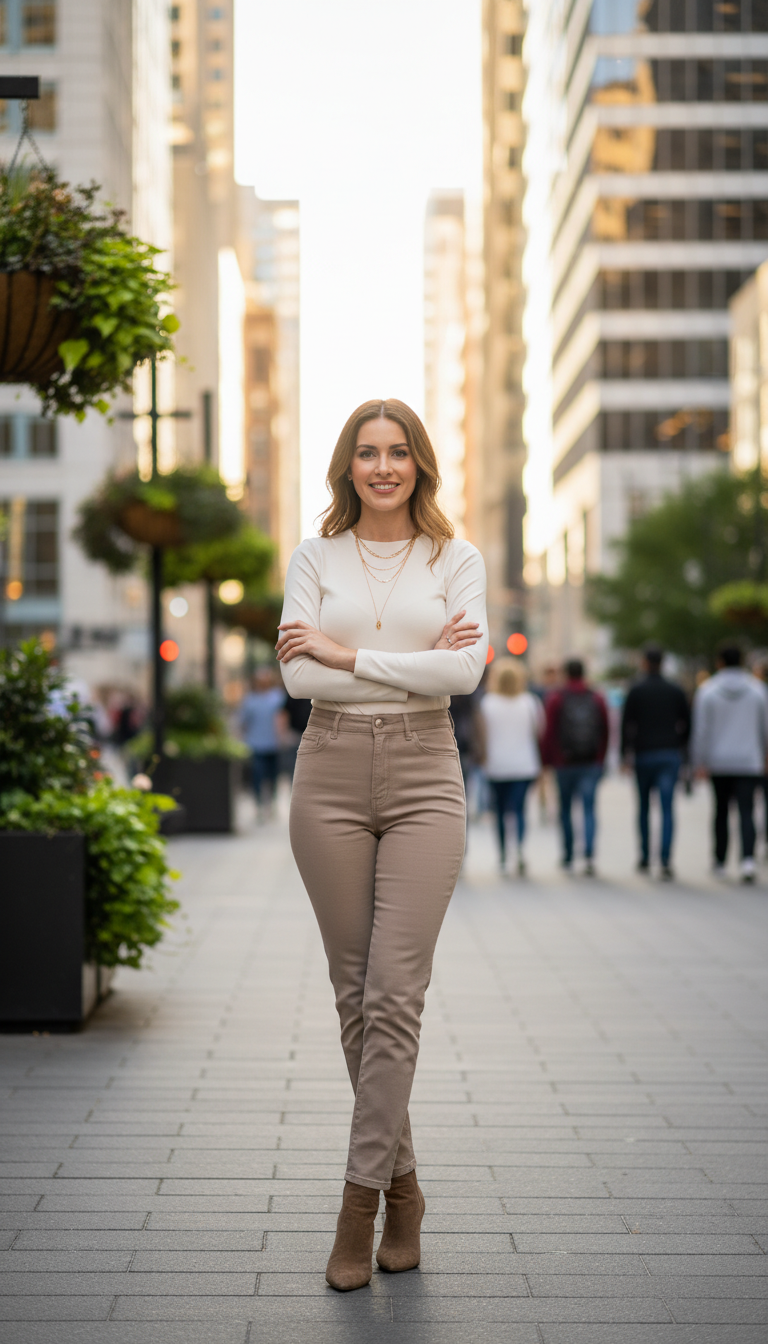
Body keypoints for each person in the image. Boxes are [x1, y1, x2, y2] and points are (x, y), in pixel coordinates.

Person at [276, 398, 487, 1292]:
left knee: (396, 995)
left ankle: (356, 1206)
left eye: (398, 452)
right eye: (367, 453)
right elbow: (295, 675)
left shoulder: (456, 557)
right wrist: (393, 661)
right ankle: (405, 1187)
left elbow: (466, 672)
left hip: (426, 777)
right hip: (326, 773)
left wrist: (349, 654)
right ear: (347, 467)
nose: (383, 467)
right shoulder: (314, 556)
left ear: (420, 463)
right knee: (355, 997)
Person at [691, 644, 768, 883]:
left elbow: (701, 730)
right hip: (749, 760)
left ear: (720, 662)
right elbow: (765, 727)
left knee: (721, 812)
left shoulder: (708, 691)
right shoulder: (757, 690)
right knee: (747, 811)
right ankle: (747, 860)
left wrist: (699, 761)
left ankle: (720, 861)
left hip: (719, 761)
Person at [621, 645, 690, 880]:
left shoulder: (636, 690)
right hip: (669, 753)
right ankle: (666, 859)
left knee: (643, 808)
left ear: (644, 662)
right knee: (668, 808)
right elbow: (688, 723)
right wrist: (681, 746)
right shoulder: (675, 690)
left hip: (644, 754)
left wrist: (624, 754)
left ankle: (644, 856)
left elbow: (626, 725)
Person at [541, 657, 609, 876]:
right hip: (590, 762)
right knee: (589, 808)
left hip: (564, 763)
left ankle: (568, 854)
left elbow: (549, 733)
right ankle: (588, 854)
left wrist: (547, 760)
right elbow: (606, 730)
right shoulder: (596, 697)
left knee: (565, 809)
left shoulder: (556, 698)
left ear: (566, 674)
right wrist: (601, 758)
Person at [477, 657, 544, 875]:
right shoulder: (530, 702)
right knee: (520, 809)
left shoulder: (487, 703)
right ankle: (520, 850)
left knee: (499, 812)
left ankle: (503, 855)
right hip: (524, 764)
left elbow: (483, 736)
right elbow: (539, 733)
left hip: (496, 766)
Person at [239, 668, 287, 814]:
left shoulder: (278, 697)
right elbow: (242, 722)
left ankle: (271, 804)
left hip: (274, 745)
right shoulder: (250, 700)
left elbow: (283, 718)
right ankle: (259, 805)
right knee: (257, 777)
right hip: (256, 745)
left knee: (273, 777)